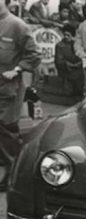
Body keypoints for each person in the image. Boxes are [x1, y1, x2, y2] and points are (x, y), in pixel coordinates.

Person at [0, 0, 41, 191]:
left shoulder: (17, 25)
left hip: (7, 90)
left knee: (7, 132)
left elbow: (34, 54)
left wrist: (17, 69)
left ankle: (15, 177)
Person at [55, 24, 83, 97]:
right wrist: (70, 65)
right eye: (65, 35)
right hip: (66, 70)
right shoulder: (60, 46)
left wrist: (79, 64)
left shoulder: (77, 45)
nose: (66, 37)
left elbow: (83, 57)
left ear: (72, 35)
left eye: (68, 35)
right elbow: (59, 61)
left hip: (79, 69)